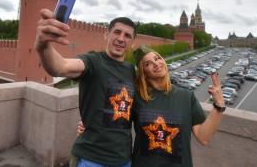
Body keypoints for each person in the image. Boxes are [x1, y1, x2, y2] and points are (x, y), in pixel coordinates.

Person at [78, 46, 225, 167]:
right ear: (143, 73)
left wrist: (218, 106)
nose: (156, 64)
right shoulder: (137, 98)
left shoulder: (186, 96)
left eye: (157, 58)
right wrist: (88, 126)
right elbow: (112, 120)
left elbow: (204, 137)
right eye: (147, 63)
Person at [35, 9, 137, 167]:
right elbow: (60, 67)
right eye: (117, 32)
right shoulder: (93, 61)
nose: (121, 39)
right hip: (90, 158)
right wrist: (43, 46)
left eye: (127, 36)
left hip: (123, 159)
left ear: (132, 42)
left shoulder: (132, 71)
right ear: (106, 35)